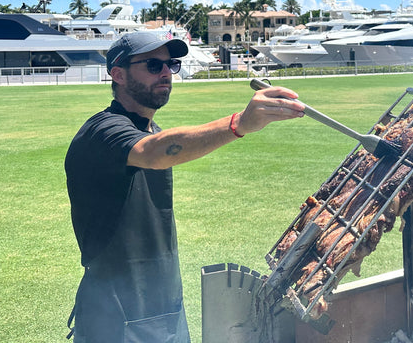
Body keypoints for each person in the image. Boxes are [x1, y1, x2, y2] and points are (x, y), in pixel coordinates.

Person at [65, 31, 305, 342]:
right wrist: (239, 124)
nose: (166, 73)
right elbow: (154, 152)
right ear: (118, 74)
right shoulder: (104, 130)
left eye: (171, 64)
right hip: (117, 312)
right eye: (153, 65)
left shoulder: (150, 129)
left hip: (163, 307)